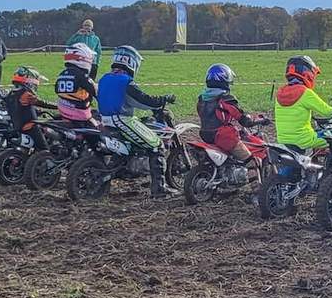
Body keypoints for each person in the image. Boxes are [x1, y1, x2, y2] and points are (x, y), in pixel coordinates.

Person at [98, 45, 178, 197]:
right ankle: (159, 190)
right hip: (121, 119)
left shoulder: (104, 79)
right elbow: (145, 100)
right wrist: (163, 99)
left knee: (131, 145)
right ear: (132, 62)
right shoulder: (126, 82)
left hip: (104, 120)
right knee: (156, 145)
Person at [197, 63, 267, 157]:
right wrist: (260, 120)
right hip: (223, 137)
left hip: (205, 135)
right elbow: (244, 120)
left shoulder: (202, 98)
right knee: (249, 160)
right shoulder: (226, 99)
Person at [274, 55, 332, 153]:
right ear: (308, 74)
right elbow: (328, 112)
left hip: (283, 141)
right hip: (304, 141)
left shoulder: (280, 93)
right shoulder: (305, 93)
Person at [5, 66, 55, 153]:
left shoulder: (11, 94)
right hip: (31, 127)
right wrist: (57, 106)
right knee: (45, 151)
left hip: (17, 126)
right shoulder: (26, 94)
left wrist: (37, 111)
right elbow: (42, 103)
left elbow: (22, 107)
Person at [54, 43, 100, 124]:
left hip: (64, 113)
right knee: (99, 127)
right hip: (80, 116)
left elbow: (56, 90)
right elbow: (97, 91)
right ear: (82, 58)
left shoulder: (62, 74)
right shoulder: (81, 76)